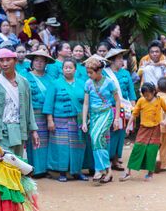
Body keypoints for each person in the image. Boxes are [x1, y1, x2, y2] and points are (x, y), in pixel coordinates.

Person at [0, 48, 39, 156]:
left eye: (8, 60)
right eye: (1, 60)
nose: (5, 63)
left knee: (18, 164)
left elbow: (29, 108)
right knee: (4, 165)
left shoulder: (24, 83)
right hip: (0, 132)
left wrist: (34, 130)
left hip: (19, 130)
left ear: (15, 61)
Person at [43, 58, 87, 182]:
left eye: (70, 67)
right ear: (62, 69)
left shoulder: (82, 83)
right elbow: (48, 103)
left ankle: (77, 171)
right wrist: (50, 120)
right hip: (59, 120)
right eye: (65, 67)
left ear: (75, 69)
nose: (68, 70)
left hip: (77, 120)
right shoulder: (55, 83)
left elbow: (86, 102)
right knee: (61, 147)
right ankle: (62, 172)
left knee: (77, 146)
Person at [82, 56, 120, 185]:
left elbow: (117, 100)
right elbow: (86, 103)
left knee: (96, 137)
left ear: (99, 71)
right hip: (94, 116)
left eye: (91, 72)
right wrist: (83, 121)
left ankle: (99, 169)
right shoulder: (88, 83)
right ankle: (108, 171)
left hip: (106, 114)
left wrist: (116, 118)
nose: (88, 75)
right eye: (87, 72)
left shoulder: (109, 82)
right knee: (98, 141)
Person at [121, 83, 166, 181]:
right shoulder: (141, 100)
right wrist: (128, 126)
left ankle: (150, 174)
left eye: (148, 94)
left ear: (153, 92)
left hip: (155, 129)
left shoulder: (160, 100)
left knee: (152, 151)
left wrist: (165, 120)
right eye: (144, 95)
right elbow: (134, 114)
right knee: (137, 149)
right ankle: (127, 172)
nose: (146, 96)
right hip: (143, 129)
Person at [20, 49, 53, 177]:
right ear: (32, 62)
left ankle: (45, 168)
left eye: (42, 61)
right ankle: (34, 168)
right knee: (33, 140)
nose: (39, 63)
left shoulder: (50, 78)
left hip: (47, 113)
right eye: (36, 60)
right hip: (31, 112)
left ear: (46, 64)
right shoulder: (25, 77)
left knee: (46, 141)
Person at [104, 49, 137, 170]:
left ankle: (116, 159)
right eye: (119, 58)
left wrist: (134, 108)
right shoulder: (104, 73)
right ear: (112, 60)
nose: (121, 61)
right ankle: (107, 159)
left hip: (124, 107)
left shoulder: (126, 74)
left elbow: (131, 91)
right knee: (110, 133)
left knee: (121, 133)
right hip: (109, 107)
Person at [156, 77, 166, 171]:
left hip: (153, 126)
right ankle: (163, 163)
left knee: (154, 144)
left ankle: (153, 161)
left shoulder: (154, 97)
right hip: (164, 126)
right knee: (164, 145)